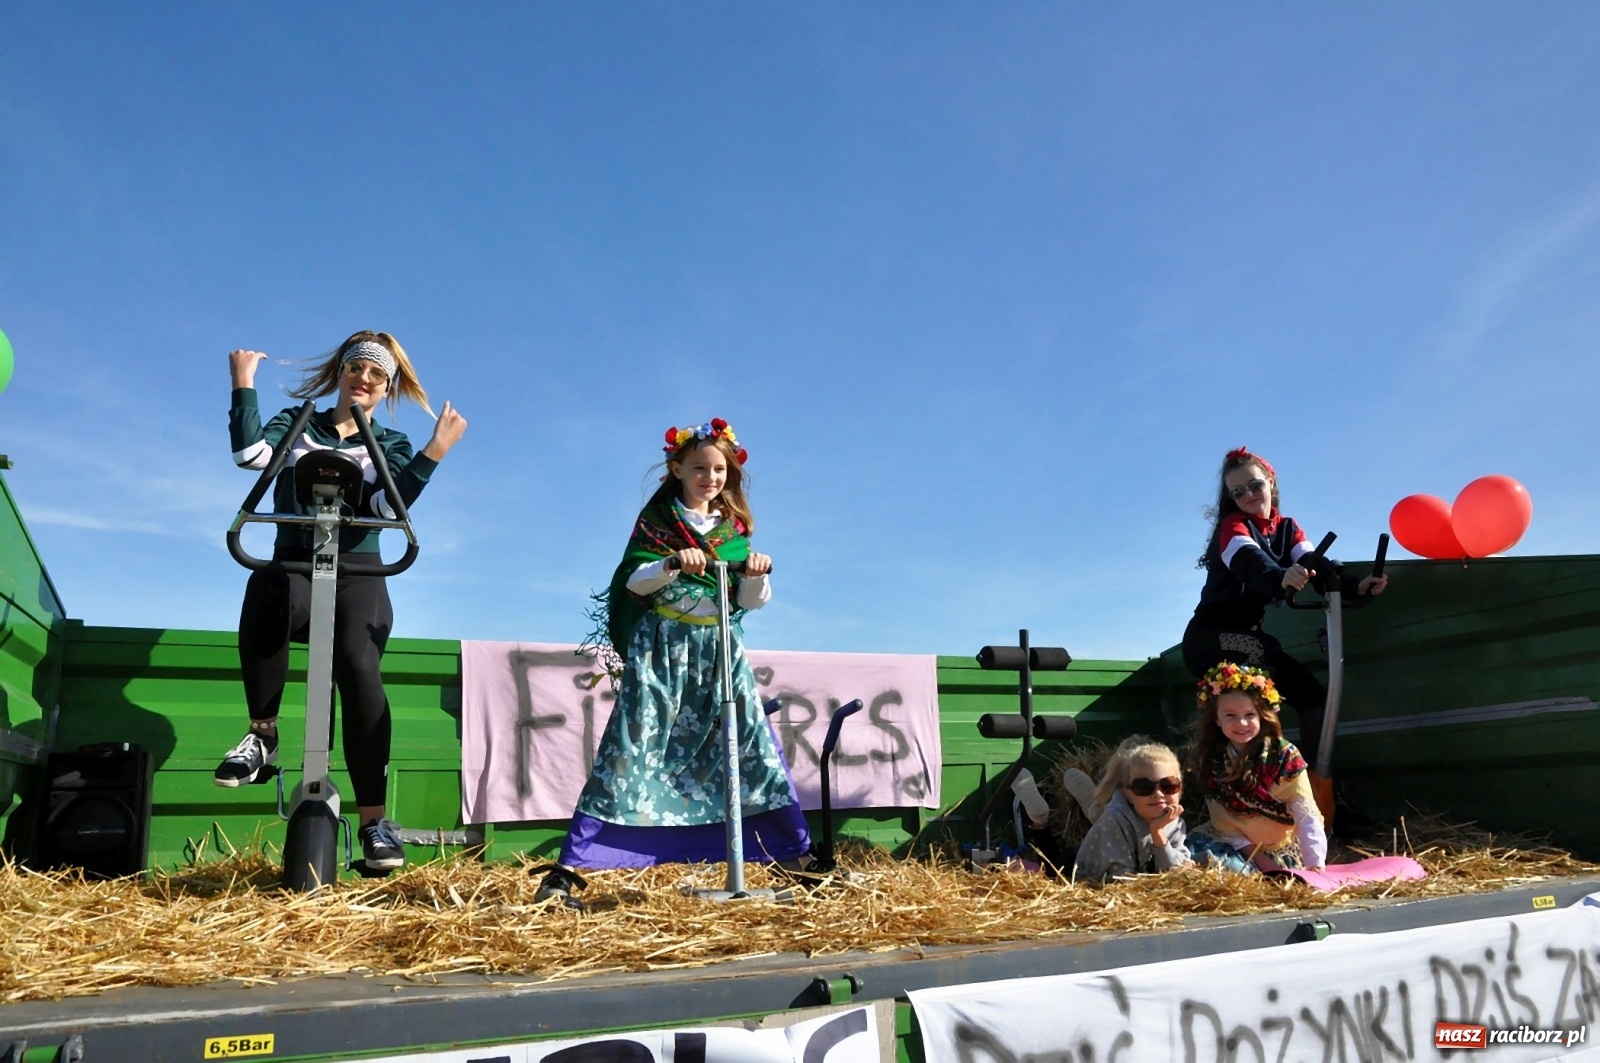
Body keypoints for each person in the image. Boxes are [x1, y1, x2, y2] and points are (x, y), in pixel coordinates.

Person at [214, 332, 468, 872]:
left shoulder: (390, 443)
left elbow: (382, 502)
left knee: (357, 662)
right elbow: (252, 456)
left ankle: (374, 820)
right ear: (341, 371)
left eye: (378, 374)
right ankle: (262, 735)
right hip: (296, 560)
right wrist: (243, 386)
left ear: (388, 386)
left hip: (358, 570)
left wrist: (432, 453)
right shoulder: (299, 422)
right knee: (269, 589)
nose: (366, 379)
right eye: (358, 367)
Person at [534, 419, 811, 909]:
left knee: (747, 749)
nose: (711, 477)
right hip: (664, 655)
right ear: (677, 468)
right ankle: (571, 866)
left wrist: (757, 575)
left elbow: (748, 603)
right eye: (700, 467)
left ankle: (792, 854)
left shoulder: (734, 531)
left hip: (720, 655)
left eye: (719, 469)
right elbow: (633, 584)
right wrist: (670, 564)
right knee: (630, 750)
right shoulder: (658, 524)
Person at [1181, 446, 1387, 826]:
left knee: (1312, 696)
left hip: (1249, 640)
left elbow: (1317, 566)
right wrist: (1280, 578)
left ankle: (1321, 801)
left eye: (1253, 486)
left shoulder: (1288, 528)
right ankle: (1241, 807)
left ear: (1270, 483)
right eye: (1237, 492)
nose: (1247, 497)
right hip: (1211, 638)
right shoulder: (1233, 528)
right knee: (1260, 680)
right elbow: (1250, 564)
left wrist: (1357, 587)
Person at [1191, 662, 1326, 872]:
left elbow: (1306, 814)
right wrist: (1264, 865)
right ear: (1216, 719)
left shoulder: (1285, 756)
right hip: (1239, 850)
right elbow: (1227, 828)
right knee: (1217, 868)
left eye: (1249, 715)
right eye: (1230, 715)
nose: (1242, 723)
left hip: (1283, 851)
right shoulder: (1213, 761)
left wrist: (1315, 865)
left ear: (1262, 715)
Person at [1072, 736, 1192, 882]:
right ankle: (1042, 822)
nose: (1158, 794)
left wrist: (1158, 834)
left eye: (1169, 786)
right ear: (1129, 794)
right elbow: (1120, 878)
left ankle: (1093, 810)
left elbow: (1176, 871)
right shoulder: (1115, 820)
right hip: (1085, 876)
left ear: (1179, 791)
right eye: (1144, 787)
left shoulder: (1174, 821)